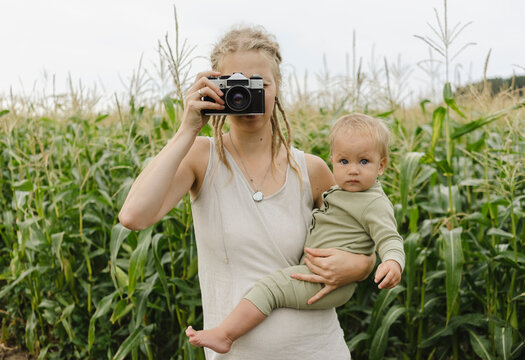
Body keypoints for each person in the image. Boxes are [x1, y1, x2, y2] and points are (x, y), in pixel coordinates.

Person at [118, 25, 375, 359]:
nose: (245, 95)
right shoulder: (200, 158)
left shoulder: (311, 170)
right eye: (234, 85)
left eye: (259, 84)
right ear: (215, 87)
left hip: (319, 349)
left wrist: (362, 265)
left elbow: (362, 240)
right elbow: (133, 216)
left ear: (278, 87)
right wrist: (187, 128)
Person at [185, 113, 405, 354]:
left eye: (364, 162)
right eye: (344, 161)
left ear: (381, 165)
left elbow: (389, 237)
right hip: (316, 273)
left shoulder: (373, 202)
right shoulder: (340, 192)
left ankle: (225, 334)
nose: (353, 170)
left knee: (270, 289)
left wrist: (392, 262)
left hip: (324, 280)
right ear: (332, 159)